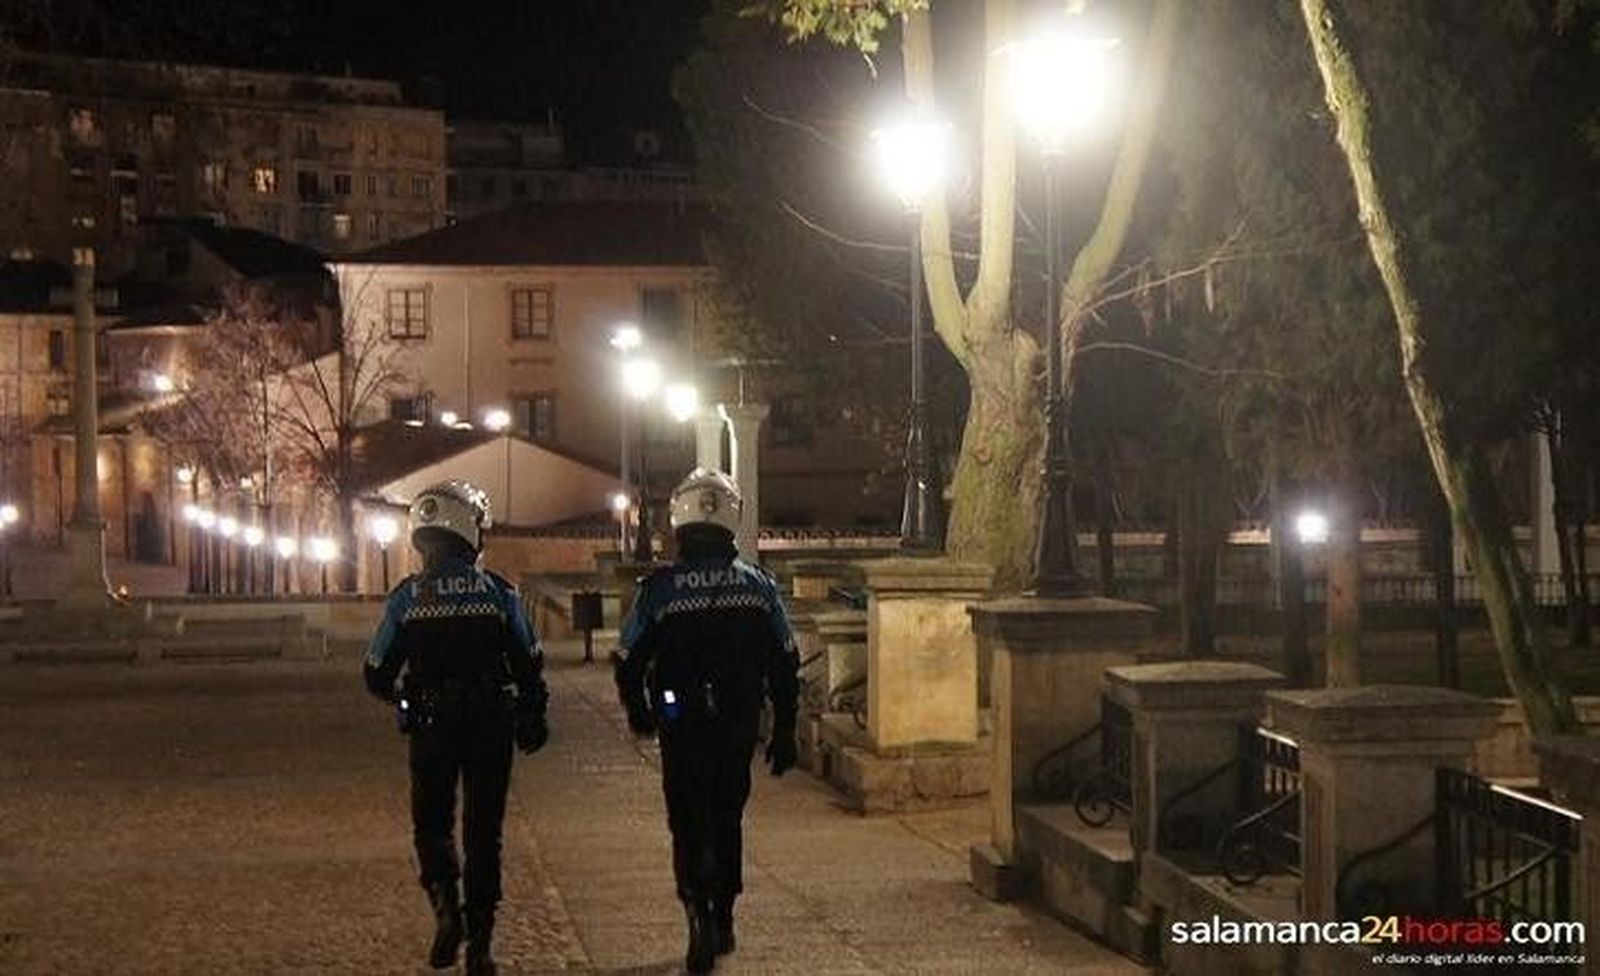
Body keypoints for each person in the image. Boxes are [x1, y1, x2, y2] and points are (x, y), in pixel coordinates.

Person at [613, 468, 800, 974]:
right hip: (737, 721)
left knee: (687, 818)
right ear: (732, 518)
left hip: (681, 720)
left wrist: (639, 710)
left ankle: (695, 911)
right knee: (727, 814)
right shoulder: (758, 587)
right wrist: (785, 729)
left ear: (679, 518)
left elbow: (627, 657)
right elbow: (785, 659)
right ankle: (723, 914)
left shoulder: (660, 590)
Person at [363, 480, 549, 976]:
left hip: (432, 723)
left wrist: (407, 698)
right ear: (470, 532)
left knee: (432, 823)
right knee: (484, 833)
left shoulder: (407, 598)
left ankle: (446, 910)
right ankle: (481, 945)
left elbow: (375, 671)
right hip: (489, 721)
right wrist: (534, 713)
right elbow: (530, 661)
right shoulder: (499, 594)